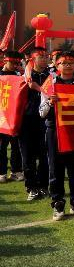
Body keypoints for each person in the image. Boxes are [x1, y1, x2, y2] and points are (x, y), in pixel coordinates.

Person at [40, 51, 74, 220]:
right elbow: (41, 113)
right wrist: (50, 103)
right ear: (57, 65)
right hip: (55, 131)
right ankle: (58, 204)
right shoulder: (50, 84)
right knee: (56, 169)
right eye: (63, 63)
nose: (67, 65)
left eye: (71, 62)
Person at [21, 48, 52, 201]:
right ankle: (31, 187)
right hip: (26, 120)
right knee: (28, 156)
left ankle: (43, 186)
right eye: (41, 57)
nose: (45, 59)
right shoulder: (24, 77)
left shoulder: (51, 76)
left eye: (46, 56)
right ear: (33, 59)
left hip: (45, 120)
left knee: (45, 155)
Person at [0, 51, 24, 183]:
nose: (15, 65)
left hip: (15, 116)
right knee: (1, 146)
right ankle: (1, 172)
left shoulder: (20, 76)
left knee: (16, 145)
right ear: (5, 61)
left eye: (18, 63)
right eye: (13, 63)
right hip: (1, 116)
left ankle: (16, 171)